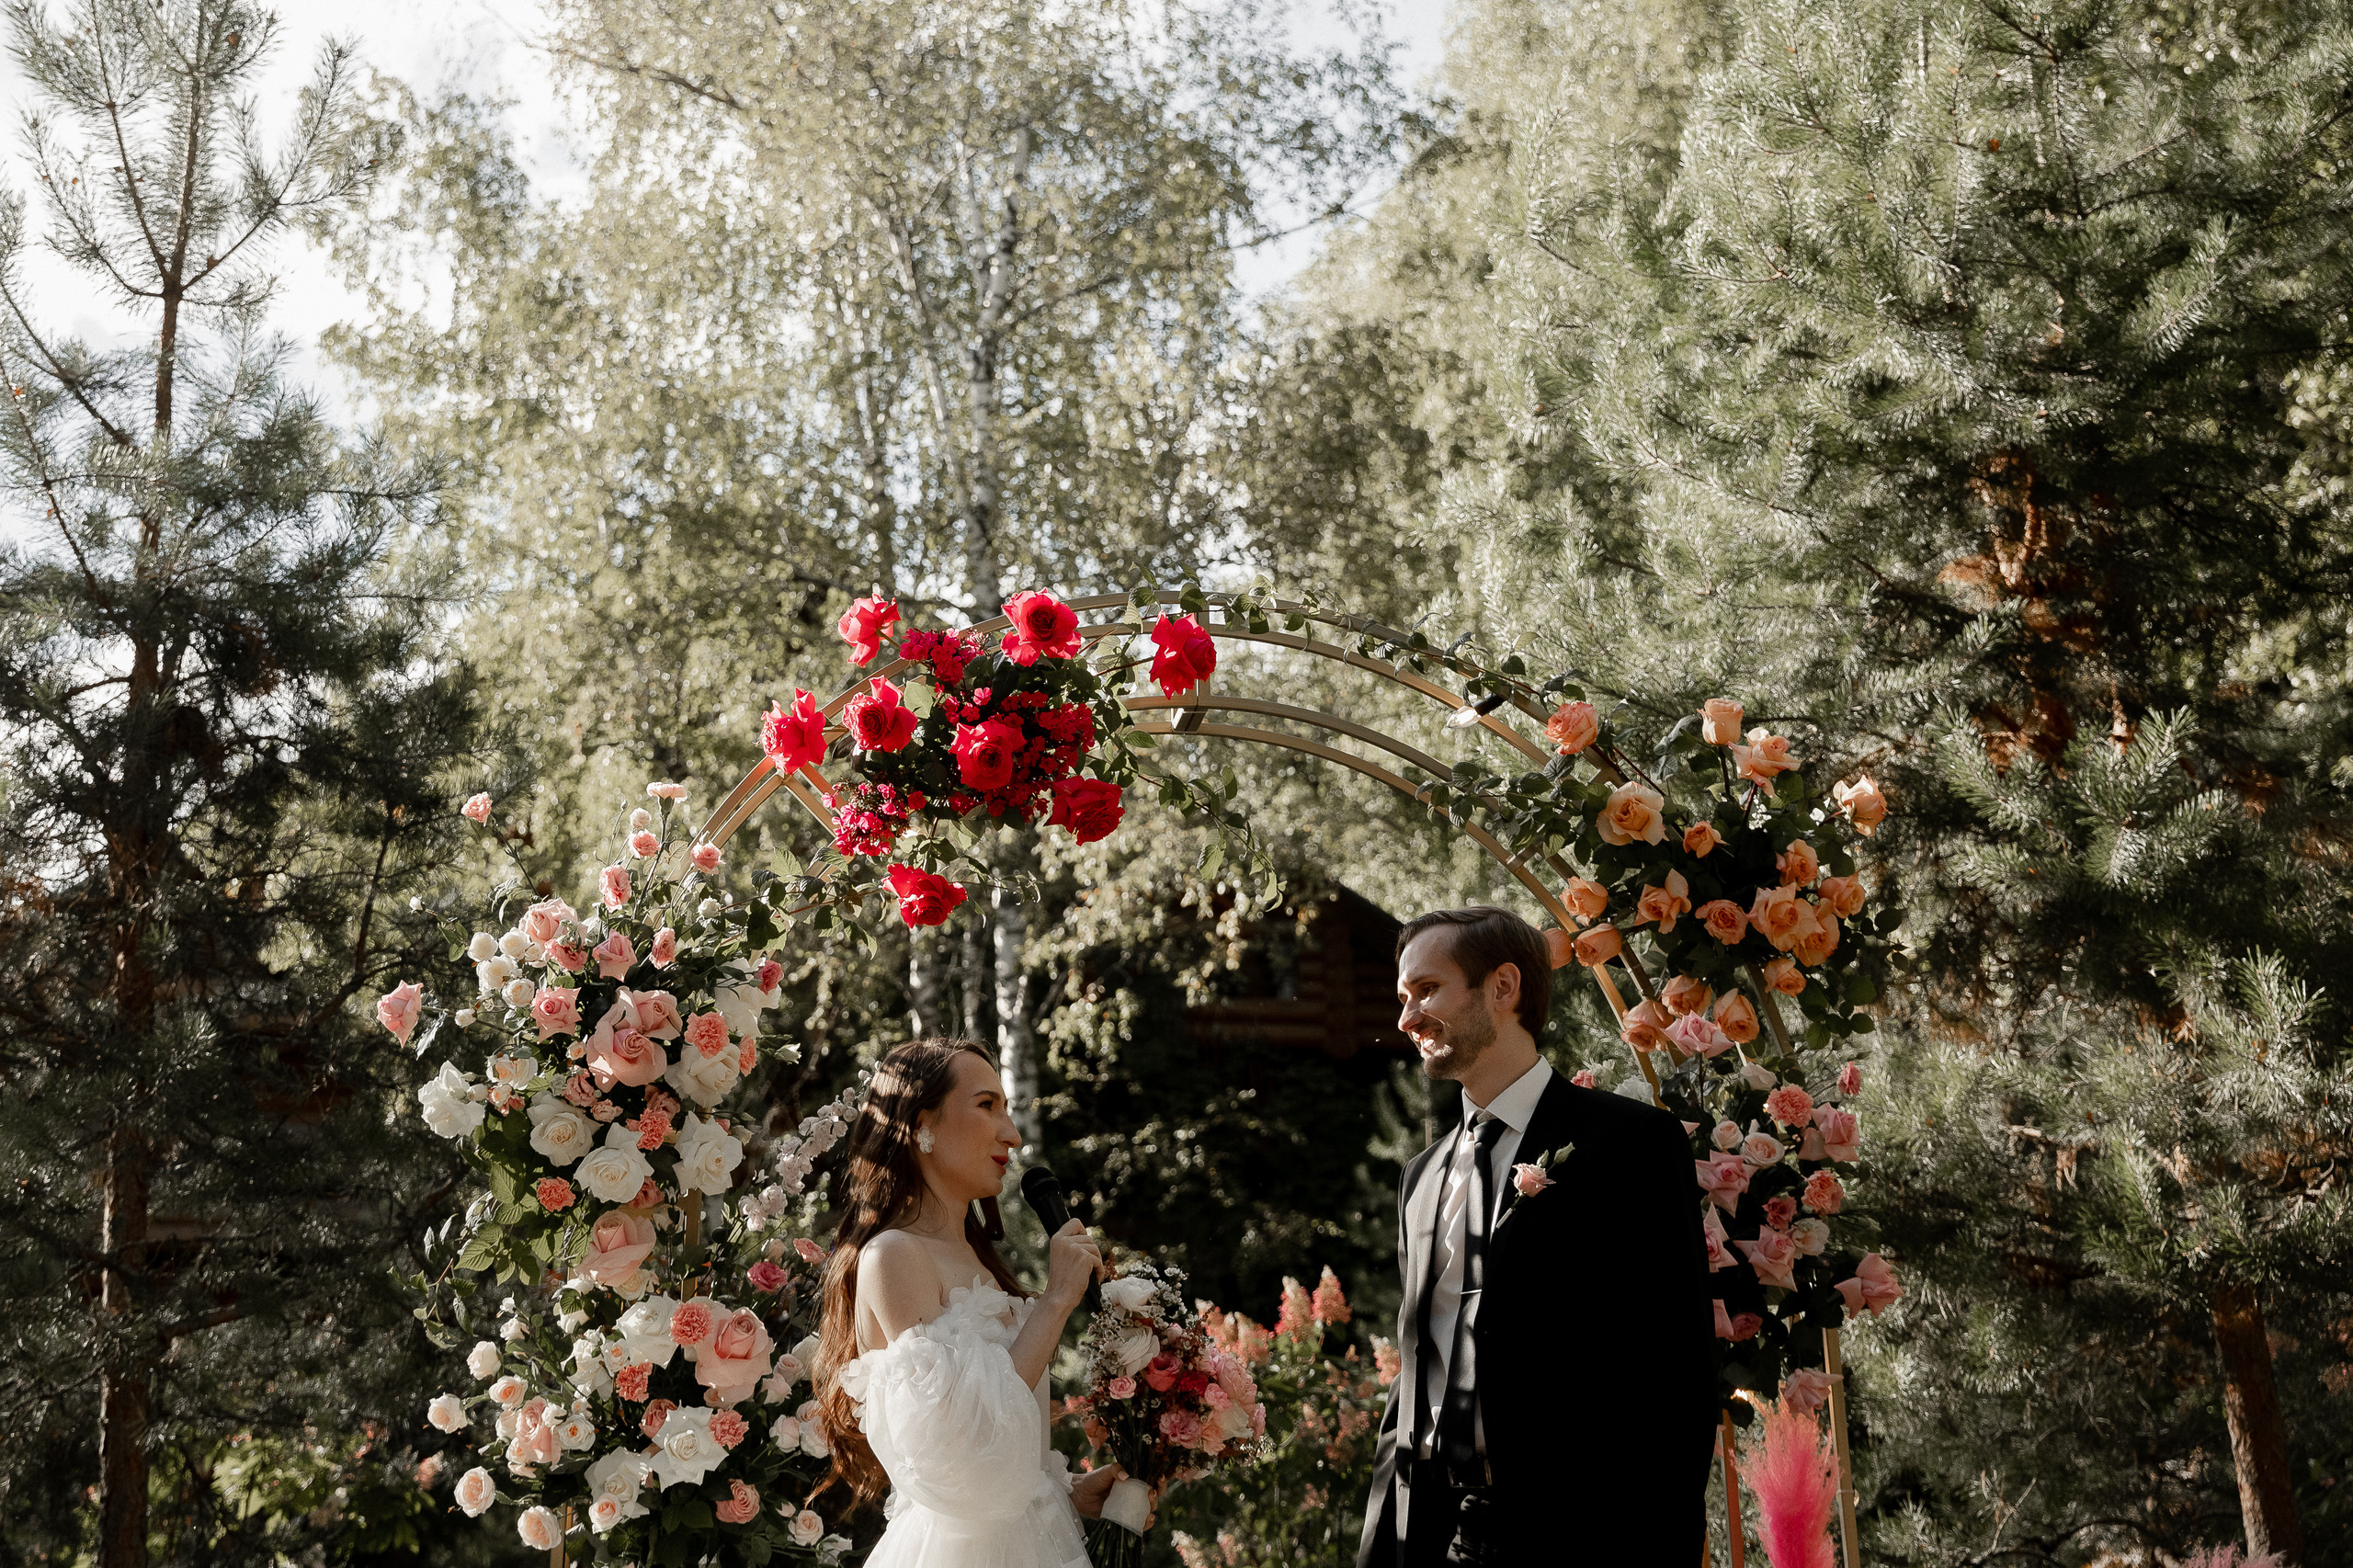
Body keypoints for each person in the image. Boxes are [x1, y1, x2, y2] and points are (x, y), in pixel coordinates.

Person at [1358, 907, 1717, 1566]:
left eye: (1427, 990)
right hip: (1439, 1534)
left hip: (1583, 1532)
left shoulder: (1630, 1143)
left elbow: (1678, 1371)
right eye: (1403, 997)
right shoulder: (1421, 1178)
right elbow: (1416, 1378)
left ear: (1503, 986)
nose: (1407, 1019)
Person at [814, 1038, 1129, 1568]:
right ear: (921, 1126)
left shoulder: (979, 1261)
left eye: (1007, 1109)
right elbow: (959, 1450)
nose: (1012, 1134)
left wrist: (1071, 1490)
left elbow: (1003, 1450)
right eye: (987, 1105)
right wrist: (1056, 1300)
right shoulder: (895, 1255)